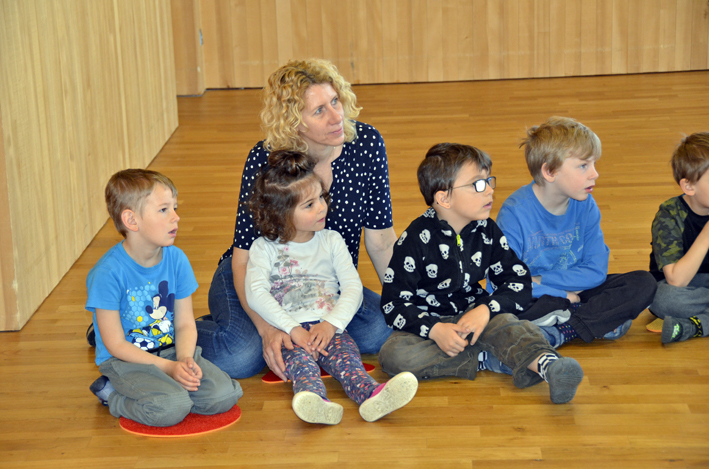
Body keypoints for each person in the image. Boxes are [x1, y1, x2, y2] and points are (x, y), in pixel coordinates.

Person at [196, 59, 396, 380]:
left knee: (381, 328)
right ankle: (173, 331)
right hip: (261, 275)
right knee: (241, 357)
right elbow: (243, 258)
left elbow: (382, 240)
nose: (337, 117)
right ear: (294, 123)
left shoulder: (367, 144)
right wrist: (267, 329)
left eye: (335, 101)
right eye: (319, 111)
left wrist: (407, 304)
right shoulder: (264, 158)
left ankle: (239, 324)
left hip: (323, 283)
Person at [378, 143, 584, 404]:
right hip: (427, 324)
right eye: (477, 184)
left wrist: (485, 310)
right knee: (394, 355)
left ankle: (551, 367)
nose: (489, 190)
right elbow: (393, 304)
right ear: (444, 199)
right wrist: (434, 330)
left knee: (506, 323)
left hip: (475, 314)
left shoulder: (487, 230)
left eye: (488, 181)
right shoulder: (414, 240)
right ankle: (489, 357)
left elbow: (518, 281)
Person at [243, 150, 417, 424]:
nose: (322, 207)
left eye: (321, 198)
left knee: (350, 362)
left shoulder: (332, 240)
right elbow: (256, 293)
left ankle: (373, 395)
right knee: (302, 368)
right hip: (290, 333)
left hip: (329, 328)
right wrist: (292, 329)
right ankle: (314, 402)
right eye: (309, 205)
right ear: (281, 213)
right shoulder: (263, 248)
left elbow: (352, 288)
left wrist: (332, 324)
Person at [85, 169, 243, 427]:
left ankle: (173, 390)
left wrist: (184, 359)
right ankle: (112, 395)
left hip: (171, 351)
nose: (176, 217)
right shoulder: (107, 273)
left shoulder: (177, 259)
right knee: (171, 409)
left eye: (175, 208)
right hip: (126, 361)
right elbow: (116, 345)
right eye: (163, 210)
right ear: (131, 220)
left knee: (224, 395)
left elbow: (185, 323)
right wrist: (168, 369)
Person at [496, 116, 657, 347]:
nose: (595, 174)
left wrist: (543, 280)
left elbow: (596, 271)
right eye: (583, 166)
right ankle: (592, 321)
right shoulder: (515, 213)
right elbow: (504, 282)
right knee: (506, 308)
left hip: (575, 289)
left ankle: (560, 331)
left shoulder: (586, 204)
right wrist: (562, 295)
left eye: (594, 164)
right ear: (549, 171)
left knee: (643, 283)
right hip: (536, 296)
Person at [648, 132, 709, 343]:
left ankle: (691, 326)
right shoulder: (669, 214)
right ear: (689, 186)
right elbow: (676, 279)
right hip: (680, 289)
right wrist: (707, 234)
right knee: (662, 299)